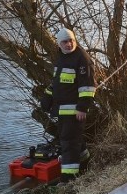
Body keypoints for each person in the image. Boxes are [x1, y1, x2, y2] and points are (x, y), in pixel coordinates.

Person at [40, 28, 96, 181]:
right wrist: (47, 97)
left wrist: (82, 107)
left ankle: (69, 178)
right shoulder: (62, 58)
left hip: (75, 110)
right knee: (73, 138)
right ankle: (84, 163)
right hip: (63, 110)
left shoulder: (82, 59)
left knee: (69, 141)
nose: (69, 44)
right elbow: (57, 83)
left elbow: (88, 87)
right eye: (65, 42)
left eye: (71, 40)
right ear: (59, 44)